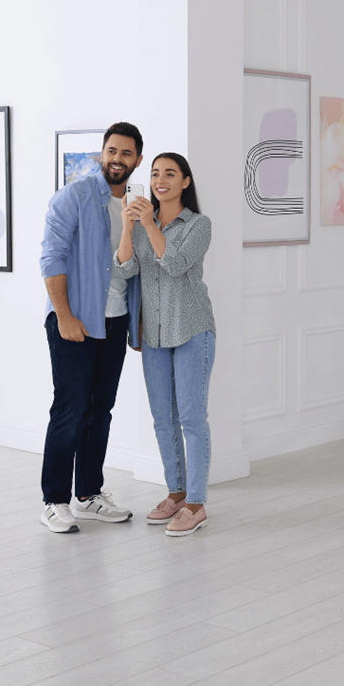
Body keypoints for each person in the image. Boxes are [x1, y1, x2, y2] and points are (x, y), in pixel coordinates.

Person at [39, 123, 144, 533]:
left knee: (100, 409)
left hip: (115, 322)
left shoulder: (137, 204)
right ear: (103, 153)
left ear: (137, 159)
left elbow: (137, 271)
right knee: (71, 409)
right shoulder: (75, 196)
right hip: (75, 320)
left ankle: (88, 495)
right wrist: (64, 316)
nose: (117, 159)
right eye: (112, 151)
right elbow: (52, 259)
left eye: (127, 153)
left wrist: (136, 324)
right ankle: (53, 500)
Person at [113, 152, 216, 536]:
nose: (161, 180)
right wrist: (129, 226)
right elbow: (124, 268)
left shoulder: (199, 225)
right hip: (153, 334)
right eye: (155, 173)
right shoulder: (140, 223)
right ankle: (176, 493)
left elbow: (174, 264)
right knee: (163, 420)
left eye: (170, 174)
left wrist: (151, 224)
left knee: (191, 418)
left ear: (185, 182)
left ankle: (196, 503)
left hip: (192, 330)